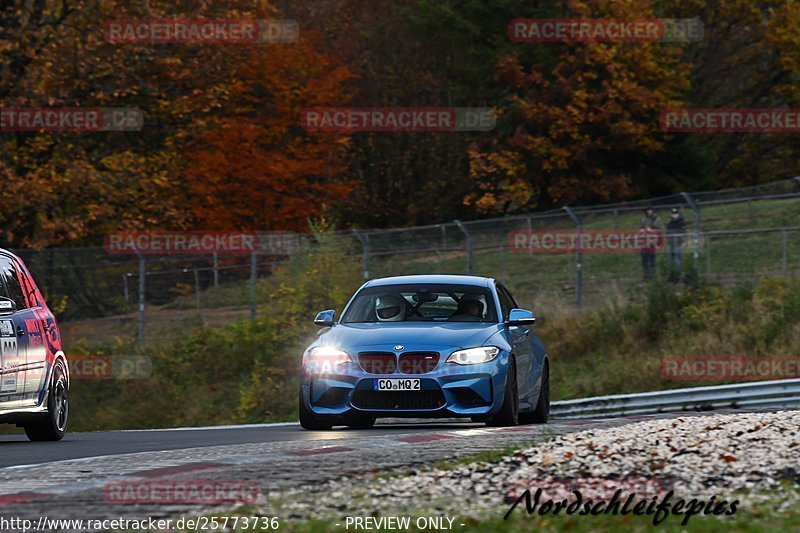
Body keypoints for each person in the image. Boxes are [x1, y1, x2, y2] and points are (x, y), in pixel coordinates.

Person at [639, 205, 663, 280]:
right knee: (644, 259)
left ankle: (652, 274)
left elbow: (661, 230)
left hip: (653, 241)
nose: (649, 211)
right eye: (648, 210)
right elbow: (640, 228)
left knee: (651, 258)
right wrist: (641, 230)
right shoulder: (643, 219)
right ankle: (646, 275)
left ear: (653, 211)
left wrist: (652, 230)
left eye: (650, 210)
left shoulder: (657, 219)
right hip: (644, 241)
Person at [666, 207, 687, 281]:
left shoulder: (681, 222)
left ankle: (679, 274)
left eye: (675, 213)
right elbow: (667, 232)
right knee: (670, 260)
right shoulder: (670, 223)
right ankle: (672, 275)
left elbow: (683, 232)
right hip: (670, 243)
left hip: (677, 243)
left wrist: (682, 241)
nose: (674, 215)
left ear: (678, 214)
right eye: (673, 214)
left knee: (678, 260)